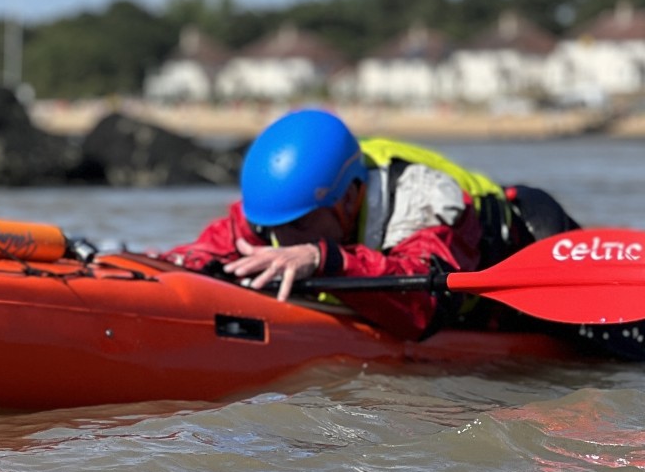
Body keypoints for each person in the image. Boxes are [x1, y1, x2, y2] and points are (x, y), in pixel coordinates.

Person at [163, 107, 578, 340]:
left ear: (348, 201)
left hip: (529, 245)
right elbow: (208, 249)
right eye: (276, 229)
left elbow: (421, 308)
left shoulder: (426, 203)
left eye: (302, 226)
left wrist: (322, 258)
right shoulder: (280, 202)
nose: (282, 241)